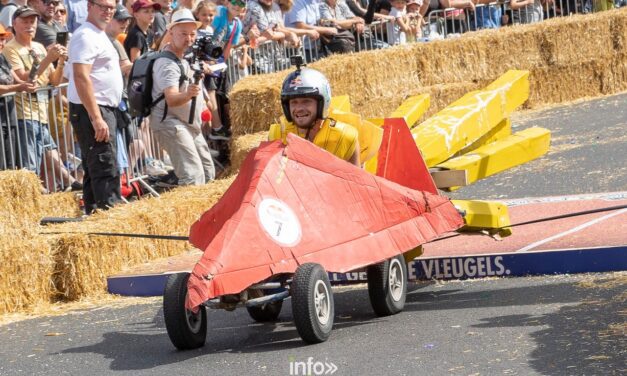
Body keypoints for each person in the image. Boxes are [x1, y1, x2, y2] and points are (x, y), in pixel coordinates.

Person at [3, 6, 79, 193]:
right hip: (24, 114)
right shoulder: (10, 49)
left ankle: (70, 183)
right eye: (25, 21)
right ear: (14, 24)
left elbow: (54, 80)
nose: (30, 25)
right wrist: (48, 59)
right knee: (31, 164)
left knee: (51, 153)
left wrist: (60, 61)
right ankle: (38, 197)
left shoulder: (38, 47)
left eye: (33, 21)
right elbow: (25, 78)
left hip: (42, 111)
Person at [68, 0, 124, 213]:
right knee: (104, 165)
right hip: (93, 108)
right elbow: (81, 77)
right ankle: (109, 214)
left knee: (97, 166)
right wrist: (96, 117)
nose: (108, 11)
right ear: (89, 6)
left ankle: (95, 214)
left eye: (111, 7)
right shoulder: (86, 35)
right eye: (103, 6)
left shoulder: (97, 34)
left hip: (99, 107)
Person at [150, 8, 215, 185]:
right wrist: (188, 94)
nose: (189, 39)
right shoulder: (166, 63)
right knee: (193, 176)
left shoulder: (184, 56)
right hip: (170, 122)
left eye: (192, 34)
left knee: (208, 173)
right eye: (183, 34)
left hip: (187, 121)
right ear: (171, 32)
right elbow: (171, 98)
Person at [270, 64, 360, 166]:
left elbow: (358, 180)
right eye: (294, 102)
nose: (299, 108)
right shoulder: (277, 136)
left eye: (306, 101)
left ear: (322, 103)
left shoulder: (345, 137)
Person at [0, 23, 37, 170]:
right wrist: (19, 87)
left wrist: (27, 84)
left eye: (3, 39)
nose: (2, 42)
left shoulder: (2, 58)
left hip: (9, 114)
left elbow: (17, 79)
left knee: (11, 159)